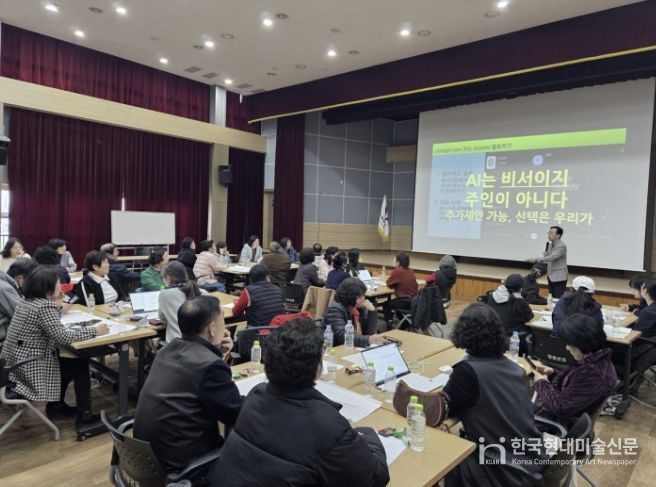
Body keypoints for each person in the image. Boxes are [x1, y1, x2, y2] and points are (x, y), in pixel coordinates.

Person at [213, 318, 390, 487]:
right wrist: (365, 434)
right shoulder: (328, 425)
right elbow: (376, 477)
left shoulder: (257, 394)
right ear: (317, 367)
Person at [134, 296, 241, 479]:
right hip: (185, 468)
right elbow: (234, 413)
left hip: (146, 459)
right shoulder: (209, 366)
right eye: (222, 320)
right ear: (212, 328)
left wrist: (218, 354)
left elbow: (197, 383)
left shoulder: (167, 350)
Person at [443, 303, 545, 487]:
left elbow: (445, 407)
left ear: (463, 332)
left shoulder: (467, 372)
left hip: (501, 471)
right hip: (531, 459)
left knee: (444, 452)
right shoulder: (515, 368)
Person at [0, 266, 109, 425]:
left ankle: (56, 406)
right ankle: (85, 418)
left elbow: (50, 325)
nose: (61, 286)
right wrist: (95, 330)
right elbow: (63, 336)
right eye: (58, 282)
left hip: (12, 364)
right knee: (79, 364)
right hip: (27, 367)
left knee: (65, 363)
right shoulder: (44, 306)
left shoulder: (27, 301)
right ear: (48, 287)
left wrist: (57, 305)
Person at [533, 314, 617, 425]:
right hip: (560, 418)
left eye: (570, 344)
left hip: (556, 424)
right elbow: (575, 387)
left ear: (582, 343)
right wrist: (553, 373)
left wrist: (541, 383)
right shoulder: (599, 362)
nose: (567, 348)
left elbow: (561, 408)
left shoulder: (592, 373)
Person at [323, 278, 386, 347]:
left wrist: (372, 311)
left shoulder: (357, 308)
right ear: (354, 297)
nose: (364, 298)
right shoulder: (335, 309)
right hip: (335, 348)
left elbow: (370, 333)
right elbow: (343, 337)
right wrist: (368, 340)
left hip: (352, 346)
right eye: (361, 296)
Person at [158, 261, 204, 345]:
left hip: (178, 344)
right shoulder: (202, 292)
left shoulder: (165, 295)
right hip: (202, 344)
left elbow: (162, 319)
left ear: (168, 278)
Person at [0, 260, 37, 352]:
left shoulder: (5, 284)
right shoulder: (5, 288)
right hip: (4, 342)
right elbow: (24, 317)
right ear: (20, 278)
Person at [485, 273, 534, 338]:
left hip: (493, 333)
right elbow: (530, 316)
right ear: (520, 288)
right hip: (511, 336)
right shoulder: (518, 300)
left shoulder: (492, 295)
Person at [529, 225, 568, 298]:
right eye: (549, 232)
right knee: (551, 297)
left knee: (557, 298)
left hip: (559, 277)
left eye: (551, 233)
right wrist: (546, 256)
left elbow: (553, 257)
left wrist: (538, 259)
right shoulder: (550, 245)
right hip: (550, 275)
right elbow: (549, 259)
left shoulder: (561, 246)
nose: (549, 234)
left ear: (558, 235)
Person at [383, 252, 418, 324]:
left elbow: (388, 284)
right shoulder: (410, 271)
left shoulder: (397, 271)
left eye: (394, 259)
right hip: (414, 301)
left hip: (405, 301)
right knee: (395, 302)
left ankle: (389, 322)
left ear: (398, 262)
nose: (393, 261)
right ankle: (404, 322)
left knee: (386, 304)